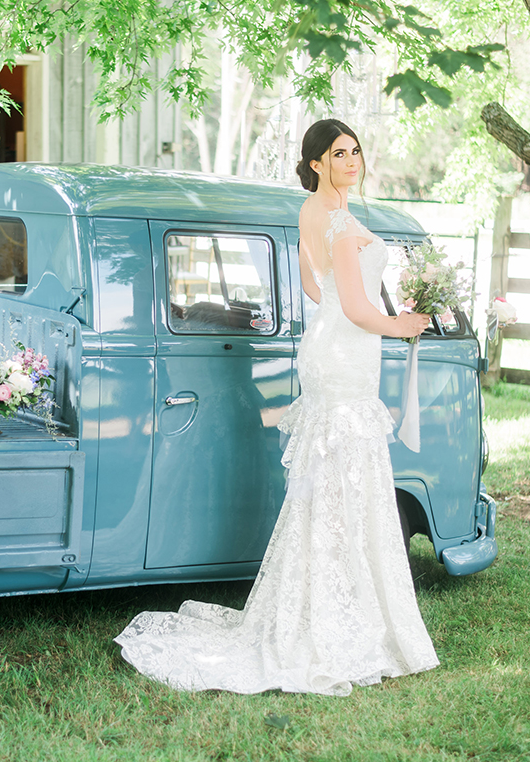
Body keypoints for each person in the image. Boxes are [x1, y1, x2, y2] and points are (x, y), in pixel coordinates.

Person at [113, 119, 439, 695]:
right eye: (340, 154)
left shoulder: (312, 212)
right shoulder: (337, 219)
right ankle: (338, 619)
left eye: (356, 151)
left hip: (329, 347)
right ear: (316, 161)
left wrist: (354, 310)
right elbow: (361, 311)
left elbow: (319, 292)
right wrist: (402, 325)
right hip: (347, 353)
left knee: (329, 483)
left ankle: (326, 605)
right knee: (344, 480)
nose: (352, 160)